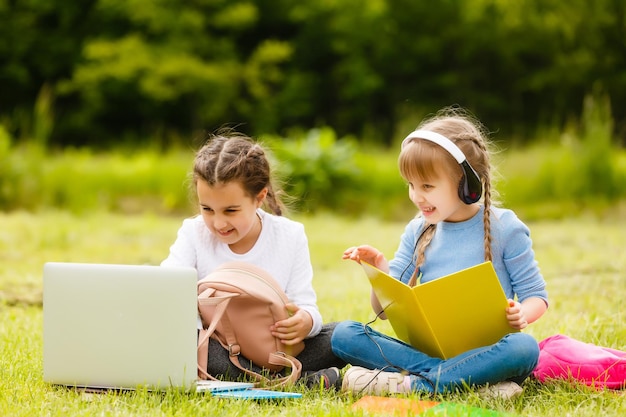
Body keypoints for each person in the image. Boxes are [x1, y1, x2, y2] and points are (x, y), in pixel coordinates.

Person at [331, 107, 549, 399]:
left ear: (466, 186)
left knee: (524, 349)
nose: (416, 196)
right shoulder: (416, 230)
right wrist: (380, 272)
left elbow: (537, 295)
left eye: (427, 186)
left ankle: (413, 384)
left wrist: (522, 312)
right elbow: (382, 313)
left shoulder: (506, 228)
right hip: (427, 352)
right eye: (410, 185)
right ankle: (468, 385)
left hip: (491, 354)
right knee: (345, 334)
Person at [161, 129, 346, 388]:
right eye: (207, 209)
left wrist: (306, 321)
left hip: (278, 352)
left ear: (259, 197)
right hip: (220, 352)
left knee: (344, 335)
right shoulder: (193, 233)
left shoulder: (290, 236)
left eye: (231, 210)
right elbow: (166, 293)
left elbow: (307, 306)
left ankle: (276, 376)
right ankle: (300, 380)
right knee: (196, 348)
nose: (218, 222)